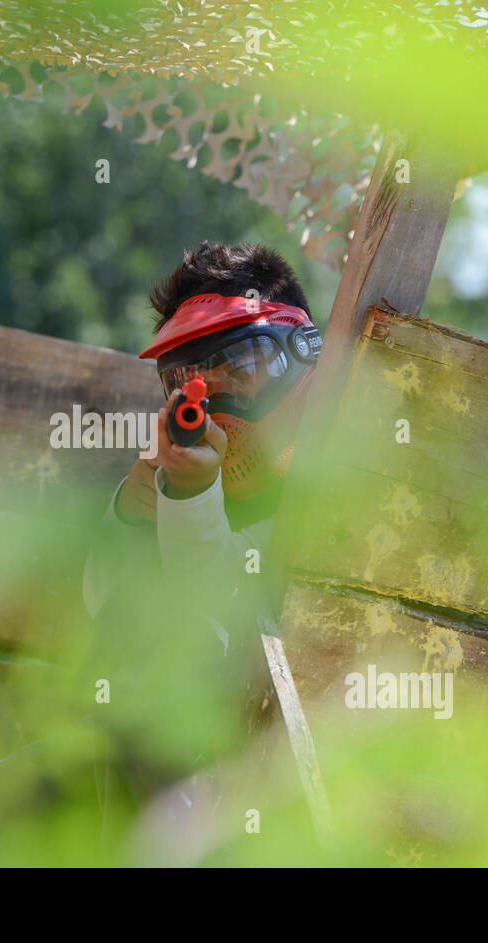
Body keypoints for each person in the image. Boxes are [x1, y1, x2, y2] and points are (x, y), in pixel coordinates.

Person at [79, 241, 324, 840]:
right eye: (192, 382)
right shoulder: (188, 474)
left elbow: (241, 612)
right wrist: (140, 512)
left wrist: (187, 499)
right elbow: (104, 602)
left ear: (305, 353)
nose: (219, 403)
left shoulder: (349, 485)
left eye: (241, 367)